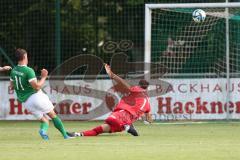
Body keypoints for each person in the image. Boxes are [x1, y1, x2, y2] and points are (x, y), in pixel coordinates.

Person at [67, 64, 152, 137]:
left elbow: (125, 84)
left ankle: (128, 127)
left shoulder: (137, 90)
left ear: (139, 85)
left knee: (111, 120)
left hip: (121, 115)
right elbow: (149, 118)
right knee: (98, 130)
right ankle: (77, 134)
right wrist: (147, 121)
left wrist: (112, 75)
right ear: (147, 88)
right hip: (123, 123)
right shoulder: (147, 102)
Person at [10, 48, 73, 140]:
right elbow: (37, 87)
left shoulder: (13, 71)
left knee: (45, 121)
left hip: (26, 103)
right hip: (36, 97)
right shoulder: (28, 70)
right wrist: (43, 77)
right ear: (24, 57)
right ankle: (65, 135)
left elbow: (11, 87)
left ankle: (43, 131)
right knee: (53, 115)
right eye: (27, 56)